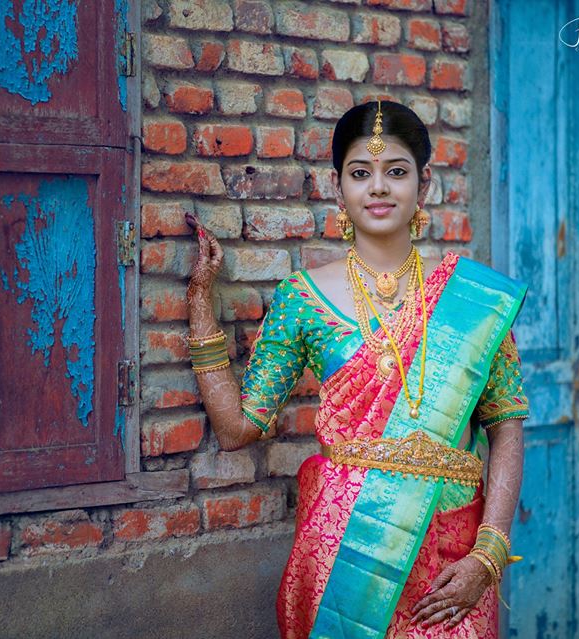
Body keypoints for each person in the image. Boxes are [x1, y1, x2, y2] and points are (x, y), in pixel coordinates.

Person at [184, 99, 529, 639]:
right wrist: (201, 302)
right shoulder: (303, 299)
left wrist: (488, 556)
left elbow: (505, 428)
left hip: (452, 556)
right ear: (336, 185)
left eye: (396, 172)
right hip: (346, 556)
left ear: (425, 183)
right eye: (360, 173)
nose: (378, 188)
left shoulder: (474, 302)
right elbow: (237, 428)